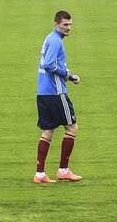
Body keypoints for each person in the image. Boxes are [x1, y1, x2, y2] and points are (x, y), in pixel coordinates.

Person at [35, 10, 82, 184]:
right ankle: (63, 170)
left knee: (47, 131)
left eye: (70, 24)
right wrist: (69, 75)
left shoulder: (50, 38)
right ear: (56, 25)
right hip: (56, 92)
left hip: (43, 92)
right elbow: (48, 64)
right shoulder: (56, 41)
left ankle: (39, 174)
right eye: (65, 25)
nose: (68, 28)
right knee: (72, 128)